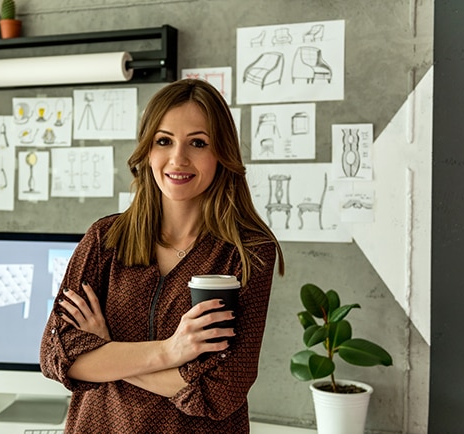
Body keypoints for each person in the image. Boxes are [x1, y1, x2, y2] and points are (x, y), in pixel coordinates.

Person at [40, 78, 285, 433]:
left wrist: (107, 352)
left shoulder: (248, 254)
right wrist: (171, 352)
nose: (178, 158)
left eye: (198, 143)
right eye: (164, 141)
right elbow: (58, 356)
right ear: (147, 150)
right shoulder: (104, 240)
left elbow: (220, 390)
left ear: (222, 153)